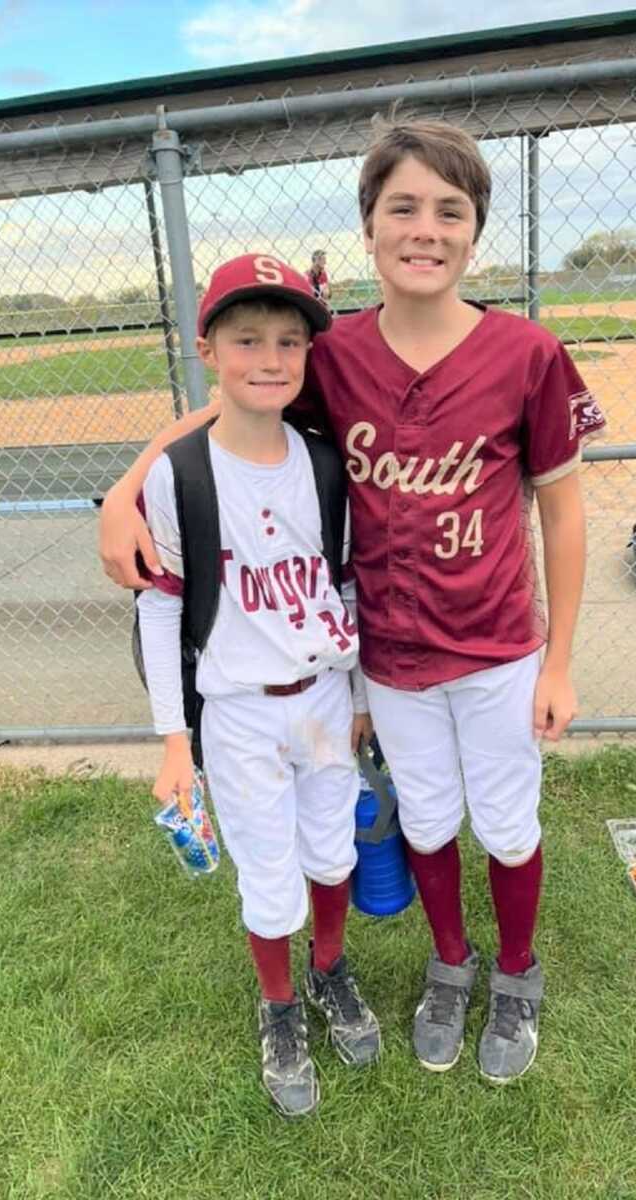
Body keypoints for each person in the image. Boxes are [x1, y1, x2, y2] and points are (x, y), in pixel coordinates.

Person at [101, 117, 606, 1085]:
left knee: (505, 821)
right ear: (369, 229)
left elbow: (563, 509)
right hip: (388, 655)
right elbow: (235, 394)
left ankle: (516, 971)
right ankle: (449, 965)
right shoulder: (334, 358)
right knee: (423, 821)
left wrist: (563, 657)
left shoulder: (527, 353)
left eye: (450, 210)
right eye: (402, 207)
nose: (426, 228)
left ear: (474, 231)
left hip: (497, 644)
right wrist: (128, 488)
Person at [136, 253, 380, 1118]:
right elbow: (160, 609)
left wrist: (353, 699)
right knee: (269, 871)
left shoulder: (321, 464)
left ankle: (328, 968)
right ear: (210, 350)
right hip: (239, 714)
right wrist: (175, 740)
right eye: (247, 340)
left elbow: (342, 586)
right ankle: (278, 1005)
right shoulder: (180, 473)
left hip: (317, 700)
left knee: (332, 846)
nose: (270, 359)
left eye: (289, 341)